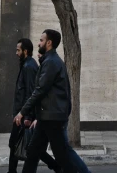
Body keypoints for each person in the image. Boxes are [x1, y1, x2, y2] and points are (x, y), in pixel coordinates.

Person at [15, 30, 75, 173]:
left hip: (52, 117)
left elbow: (40, 90)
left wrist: (22, 112)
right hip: (47, 116)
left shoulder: (51, 62)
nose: (38, 43)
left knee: (61, 154)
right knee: (33, 151)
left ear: (49, 43)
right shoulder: (50, 61)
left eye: (41, 40)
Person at [10, 38, 59, 173]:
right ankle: (56, 166)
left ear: (25, 51)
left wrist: (28, 116)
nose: (16, 53)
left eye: (18, 50)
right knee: (24, 145)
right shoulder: (26, 64)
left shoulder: (30, 67)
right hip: (21, 113)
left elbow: (32, 92)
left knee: (27, 146)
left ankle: (56, 166)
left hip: (24, 114)